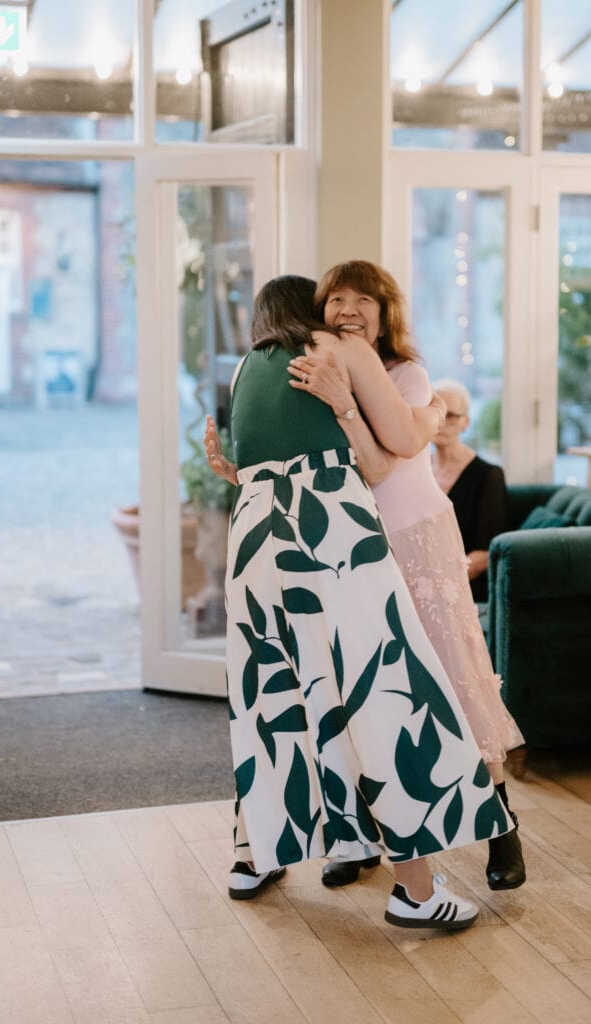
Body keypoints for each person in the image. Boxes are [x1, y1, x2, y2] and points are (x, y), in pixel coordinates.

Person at [203, 274, 513, 931]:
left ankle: (256, 853)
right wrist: (428, 417)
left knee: (275, 696)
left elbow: (251, 456)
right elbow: (399, 445)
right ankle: (416, 892)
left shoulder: (245, 370)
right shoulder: (336, 348)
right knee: (388, 693)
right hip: (331, 529)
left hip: (256, 533)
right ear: (310, 311)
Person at [287, 260, 525, 892]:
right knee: (366, 690)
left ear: (386, 312)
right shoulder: (314, 373)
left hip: (417, 539)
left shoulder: (408, 375)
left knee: (453, 675)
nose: (348, 309)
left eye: (364, 299)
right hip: (353, 548)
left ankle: (503, 832)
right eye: (335, 298)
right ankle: (364, 835)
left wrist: (344, 406)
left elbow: (384, 468)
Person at [431, 378, 509, 603]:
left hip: (463, 586)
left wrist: (440, 584)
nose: (440, 422)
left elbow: (485, 554)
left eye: (450, 416)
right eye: (434, 412)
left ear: (466, 422)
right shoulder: (418, 470)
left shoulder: (488, 475)